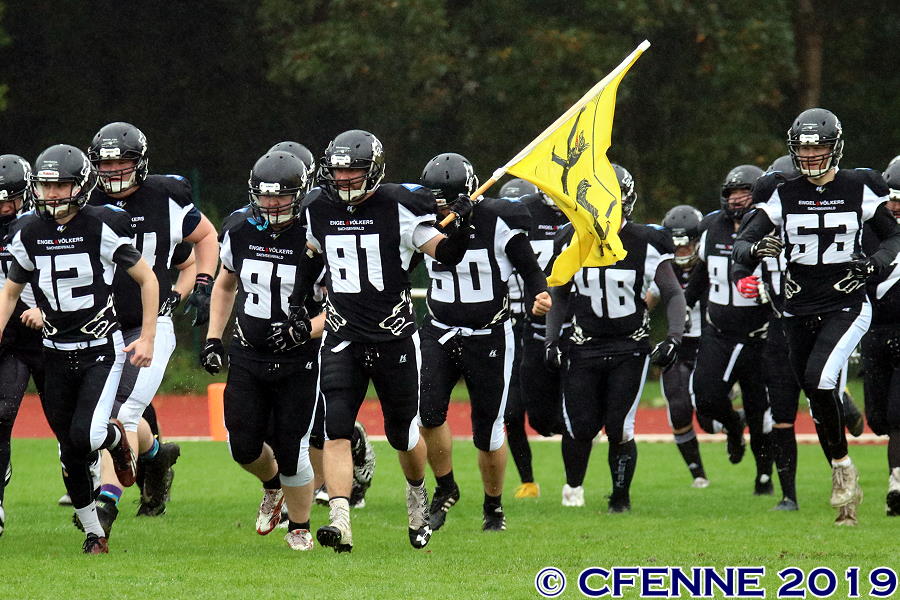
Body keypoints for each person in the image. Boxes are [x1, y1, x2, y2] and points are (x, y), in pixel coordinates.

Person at [292, 129, 473, 552]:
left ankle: (416, 494)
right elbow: (310, 258)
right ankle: (340, 518)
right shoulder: (317, 207)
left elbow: (446, 254)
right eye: (338, 171)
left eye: (353, 171)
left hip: (393, 339)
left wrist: (461, 225)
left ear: (373, 170)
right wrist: (299, 303)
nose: (345, 179)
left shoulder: (399, 206)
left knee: (402, 432)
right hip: (342, 336)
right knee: (335, 426)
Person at [733, 108, 900, 525]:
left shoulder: (860, 186)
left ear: (835, 146)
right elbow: (743, 242)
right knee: (816, 393)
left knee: (819, 380)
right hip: (797, 307)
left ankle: (843, 475)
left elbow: (894, 235)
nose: (810, 156)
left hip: (846, 302)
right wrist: (755, 251)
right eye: (803, 149)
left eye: (818, 146)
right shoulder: (779, 190)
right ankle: (842, 470)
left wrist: (875, 263)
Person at [0, 144, 159, 553]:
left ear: (81, 185)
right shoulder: (28, 231)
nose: (53, 195)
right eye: (47, 187)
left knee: (85, 434)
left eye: (62, 186)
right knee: (69, 448)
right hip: (54, 351)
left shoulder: (104, 225)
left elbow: (148, 279)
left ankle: (114, 438)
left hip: (99, 350)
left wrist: (148, 337)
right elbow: (10, 292)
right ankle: (94, 533)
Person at [85, 122, 218, 527]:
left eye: (121, 161)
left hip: (149, 324)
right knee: (98, 414)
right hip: (96, 326)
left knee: (121, 415)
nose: (112, 171)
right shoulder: (83, 200)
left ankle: (106, 503)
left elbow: (206, 236)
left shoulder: (165, 197)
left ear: (139, 162)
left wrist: (203, 283)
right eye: (105, 163)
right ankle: (156, 458)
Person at [418, 154, 551, 532]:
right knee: (427, 413)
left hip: (489, 334)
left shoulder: (498, 220)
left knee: (488, 431)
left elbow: (530, 269)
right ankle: (446, 487)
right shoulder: (423, 221)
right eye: (434, 198)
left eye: (446, 197)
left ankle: (493, 505)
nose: (438, 205)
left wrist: (539, 294)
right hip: (439, 329)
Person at [201, 150, 324, 550]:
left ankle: (300, 526)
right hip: (250, 352)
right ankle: (272, 489)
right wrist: (213, 338)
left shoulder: (316, 233)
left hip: (299, 358)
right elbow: (225, 283)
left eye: (282, 196)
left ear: (300, 194)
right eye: (265, 195)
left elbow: (343, 304)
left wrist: (306, 329)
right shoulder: (239, 228)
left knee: (291, 447)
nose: (272, 204)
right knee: (243, 446)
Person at [545, 164, 686, 512]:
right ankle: (573, 487)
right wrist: (551, 339)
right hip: (583, 344)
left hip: (629, 346)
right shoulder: (570, 238)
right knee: (579, 425)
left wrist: (674, 336)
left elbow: (673, 292)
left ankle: (620, 498)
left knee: (619, 426)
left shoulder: (646, 242)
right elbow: (559, 294)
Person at [267, 140, 376, 511]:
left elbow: (345, 295)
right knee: (279, 422)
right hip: (286, 330)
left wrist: (306, 327)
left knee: (318, 425)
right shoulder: (265, 223)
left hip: (325, 329)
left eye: (288, 190)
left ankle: (328, 483)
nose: (279, 200)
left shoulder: (326, 219)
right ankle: (315, 481)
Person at [685, 165, 774, 495]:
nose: (737, 199)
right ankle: (734, 426)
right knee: (706, 400)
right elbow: (702, 274)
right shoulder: (710, 226)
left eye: (745, 192)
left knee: (760, 410)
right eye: (732, 193)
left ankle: (764, 476)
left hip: (758, 335)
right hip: (719, 332)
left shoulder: (772, 225)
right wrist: (683, 307)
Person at [502, 179, 570, 500]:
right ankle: (528, 481)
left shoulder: (578, 215)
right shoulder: (523, 213)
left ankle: (575, 476)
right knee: (512, 412)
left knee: (548, 419)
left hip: (560, 323)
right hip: (511, 322)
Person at [0, 154, 46, 536]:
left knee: (70, 426)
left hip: (51, 333)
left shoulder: (39, 225)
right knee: (2, 413)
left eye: (9, 200)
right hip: (8, 335)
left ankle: (88, 481)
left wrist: (46, 309)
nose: (3, 208)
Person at [655, 204, 711, 488]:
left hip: (712, 342)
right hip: (679, 344)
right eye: (676, 245)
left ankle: (734, 429)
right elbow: (646, 298)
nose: (681, 251)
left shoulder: (715, 261)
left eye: (687, 244)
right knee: (678, 407)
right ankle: (698, 474)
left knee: (709, 409)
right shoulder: (661, 267)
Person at [859, 157, 900, 516]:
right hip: (874, 330)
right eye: (893, 197)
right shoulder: (871, 229)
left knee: (897, 411)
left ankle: (897, 483)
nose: (896, 205)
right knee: (878, 417)